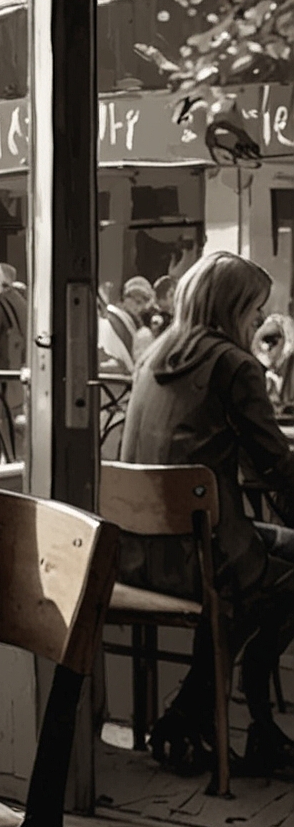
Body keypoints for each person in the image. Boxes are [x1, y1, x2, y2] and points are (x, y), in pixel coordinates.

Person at [120, 251, 294, 780]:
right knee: (276, 585)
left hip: (140, 550)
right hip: (201, 554)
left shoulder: (154, 356)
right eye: (256, 309)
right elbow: (274, 465)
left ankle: (197, 716)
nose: (260, 322)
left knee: (273, 559)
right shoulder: (233, 366)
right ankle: (249, 721)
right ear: (233, 306)